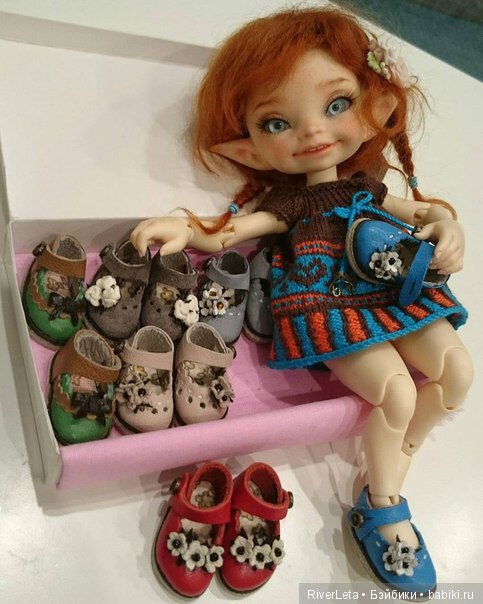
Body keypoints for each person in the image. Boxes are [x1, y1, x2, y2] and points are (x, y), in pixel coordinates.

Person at [130, 6, 473, 596]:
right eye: (276, 123)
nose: (314, 133)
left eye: (337, 104)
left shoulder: (368, 187)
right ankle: (382, 502)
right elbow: (234, 231)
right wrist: (186, 228)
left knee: (460, 372)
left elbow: (423, 211)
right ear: (251, 151)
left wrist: (448, 226)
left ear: (376, 106)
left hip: (395, 288)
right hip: (330, 306)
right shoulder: (290, 204)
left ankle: (401, 453)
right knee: (395, 391)